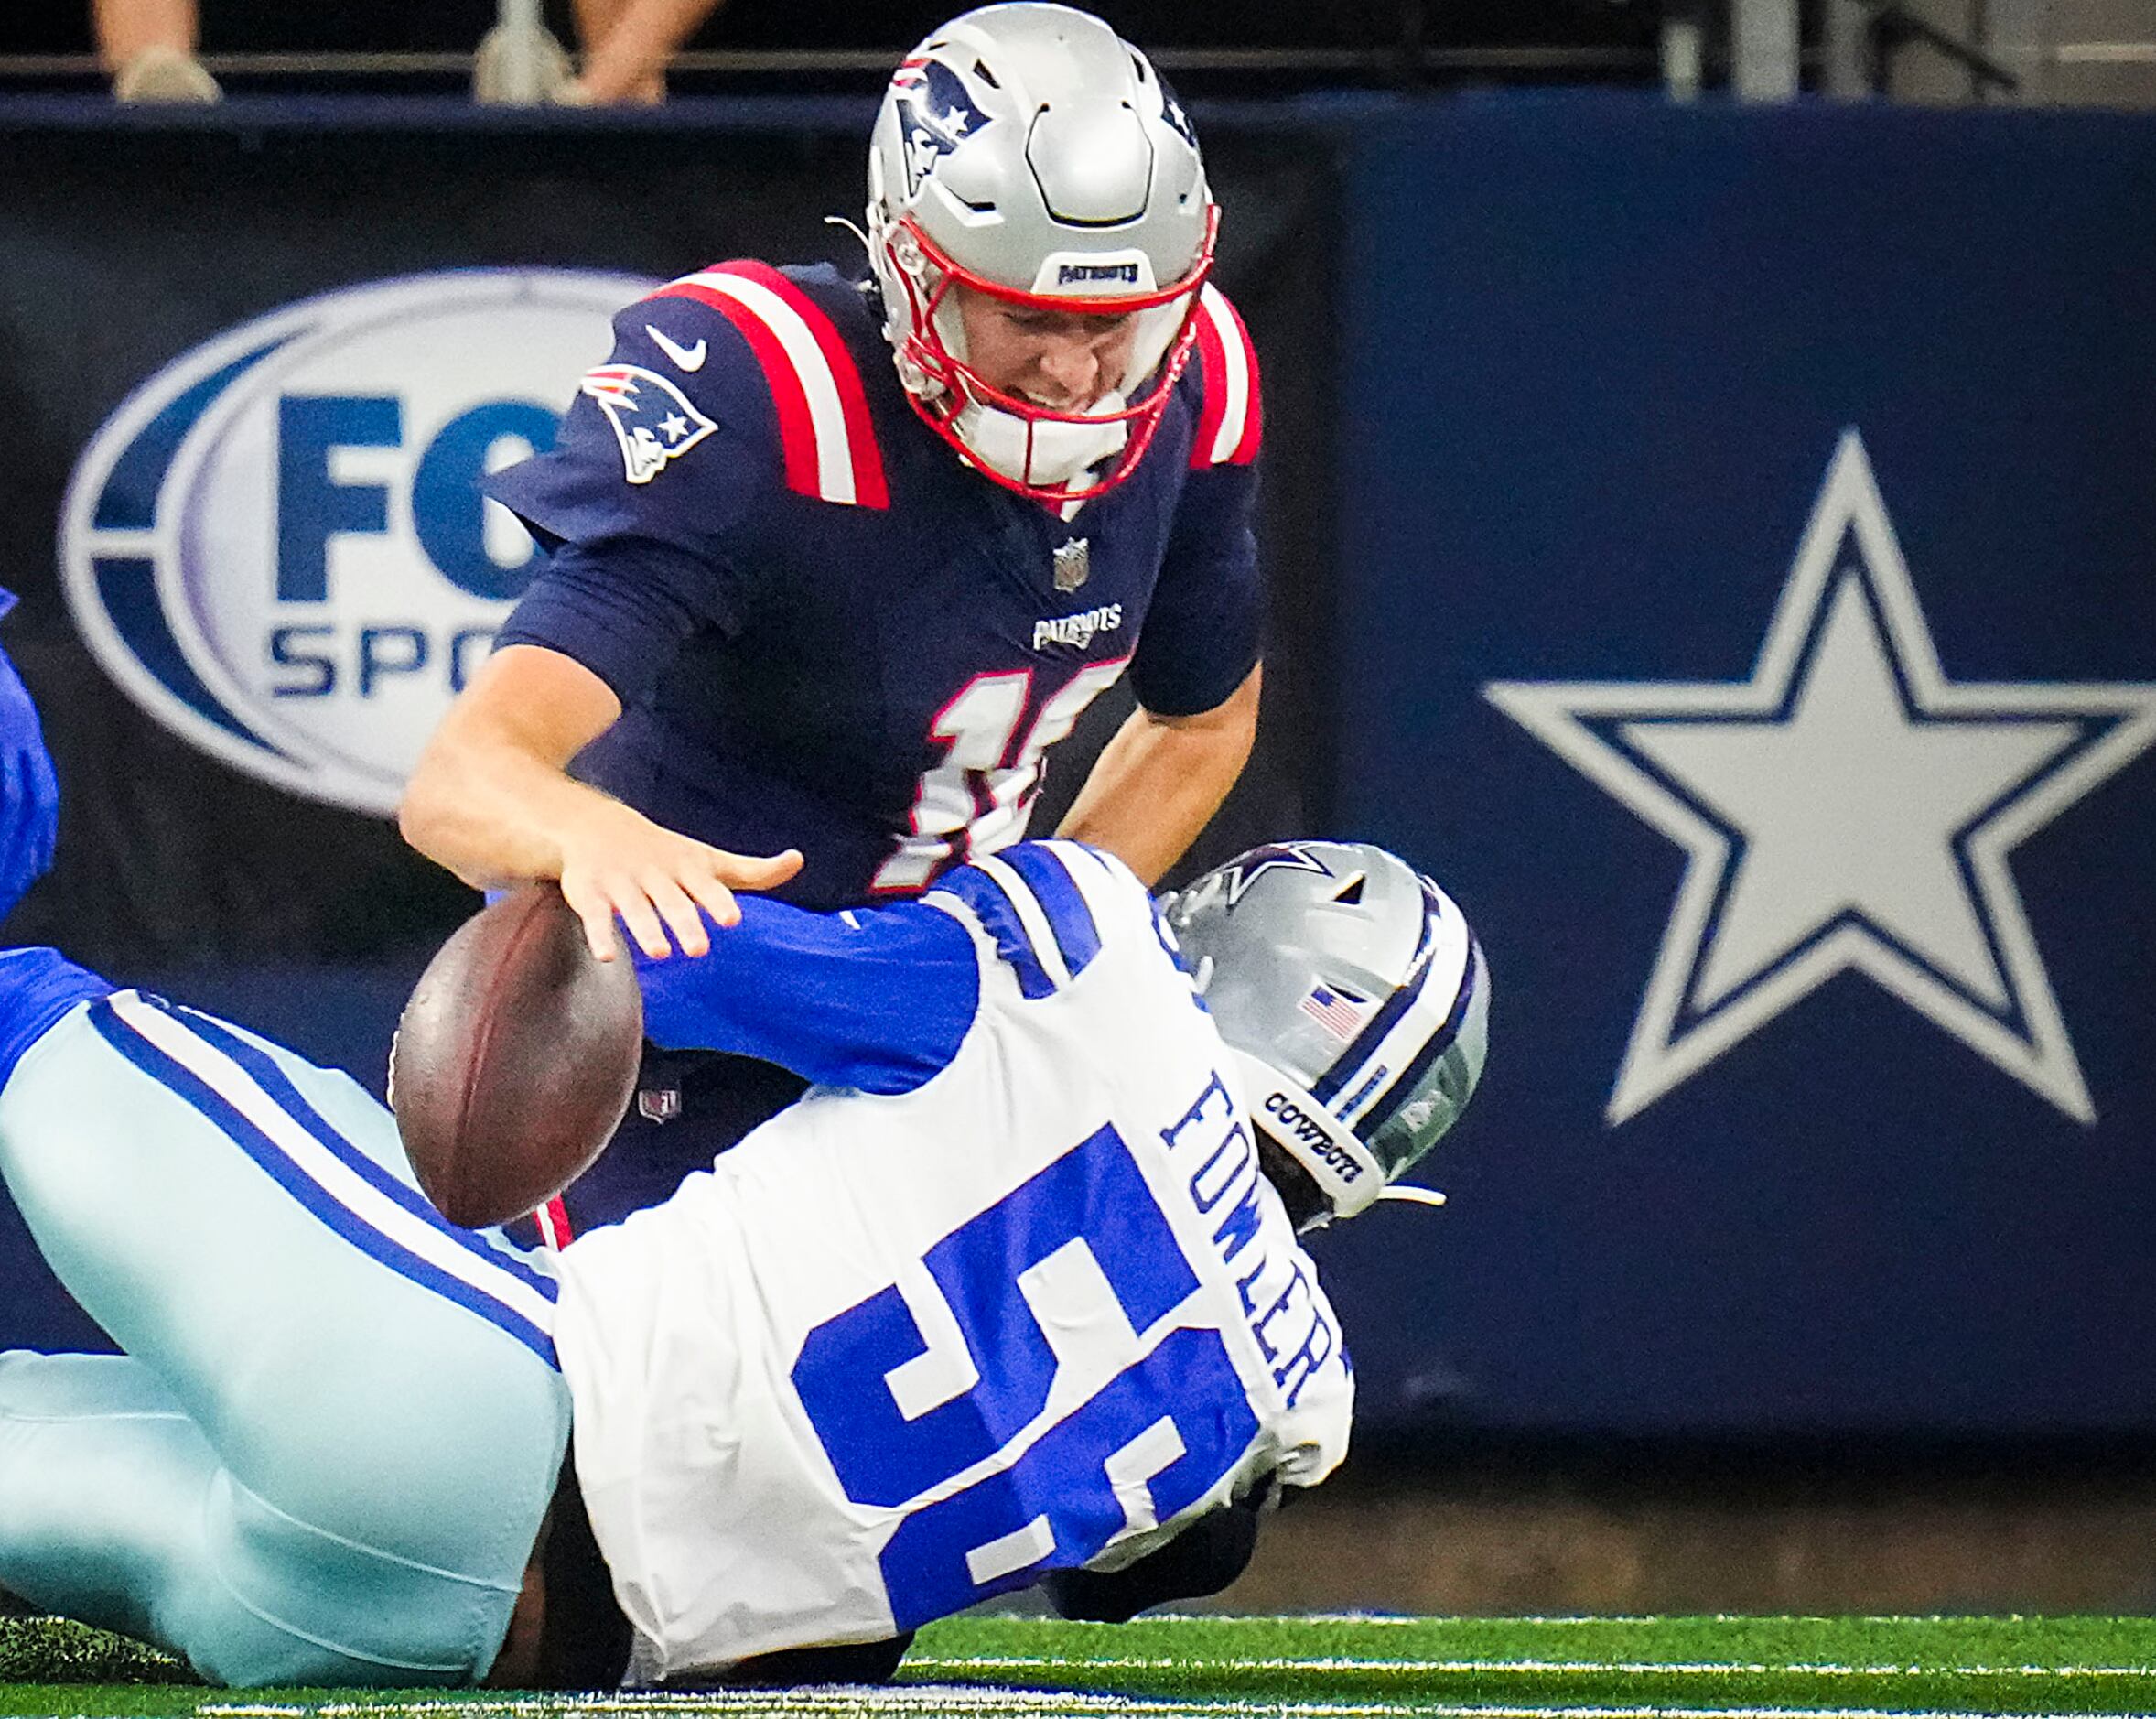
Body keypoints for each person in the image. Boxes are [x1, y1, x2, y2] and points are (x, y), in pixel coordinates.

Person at [0, 668, 1489, 1687]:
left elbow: (653, 949)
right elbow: (1143, 1574)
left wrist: (609, 846)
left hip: (470, 1405)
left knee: (25, 1013)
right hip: (460, 1640)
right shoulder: (1297, 1407)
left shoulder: (1090, 969)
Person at [400, 2, 1270, 1233]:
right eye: (1030, 317)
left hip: (939, 1047)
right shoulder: (772, 400)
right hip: (679, 1044)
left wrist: (1014, 951)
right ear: (914, 269)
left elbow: (1201, 722)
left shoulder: (1200, 380)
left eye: (1113, 321)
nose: (1081, 374)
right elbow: (461, 780)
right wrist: (590, 838)